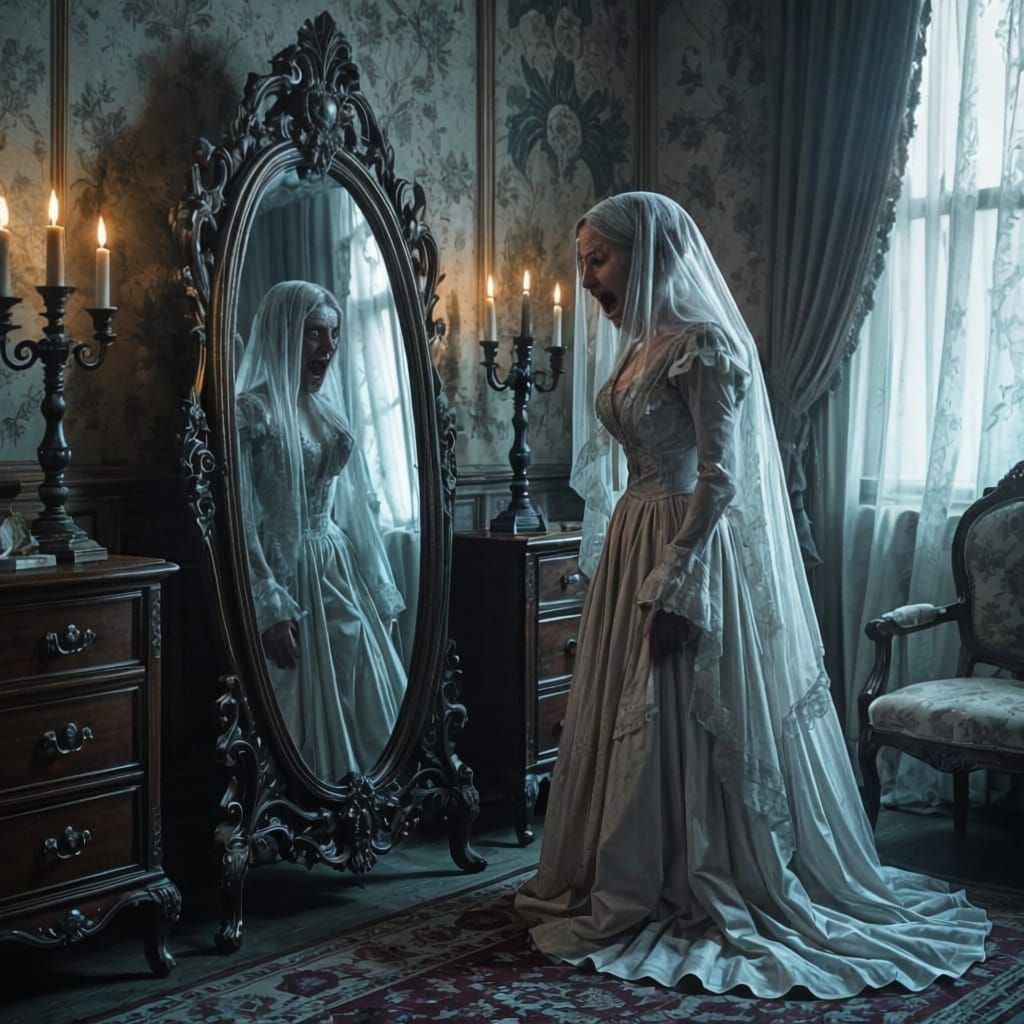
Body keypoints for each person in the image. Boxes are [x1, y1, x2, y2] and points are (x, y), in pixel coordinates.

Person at [515, 193, 990, 997]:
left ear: (648, 252)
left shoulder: (702, 346)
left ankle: (697, 871)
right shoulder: (637, 351)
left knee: (672, 706)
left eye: (600, 260)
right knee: (627, 702)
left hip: (686, 545)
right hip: (638, 533)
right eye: (584, 261)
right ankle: (625, 869)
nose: (588, 277)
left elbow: (722, 477)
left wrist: (676, 580)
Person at [235, 280, 407, 781]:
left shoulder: (327, 412)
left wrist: (378, 586)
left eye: (332, 334)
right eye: (314, 334)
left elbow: (358, 507)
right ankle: (309, 797)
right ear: (285, 334)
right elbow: (242, 519)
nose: (327, 347)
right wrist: (268, 604)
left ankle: (358, 796)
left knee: (360, 676)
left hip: (335, 560)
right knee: (296, 693)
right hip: (287, 567)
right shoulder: (254, 412)